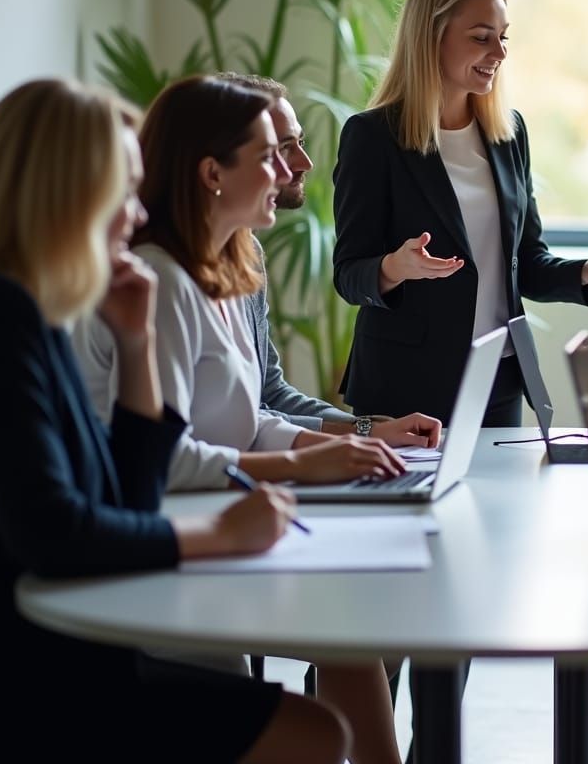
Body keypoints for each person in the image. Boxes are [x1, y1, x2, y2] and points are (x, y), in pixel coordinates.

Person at [0, 77, 347, 762]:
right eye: (121, 192)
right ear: (63, 195)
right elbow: (53, 532)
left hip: (79, 642)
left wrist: (137, 344)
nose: (134, 214)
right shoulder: (4, 319)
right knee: (315, 733)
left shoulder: (37, 311)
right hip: (35, 673)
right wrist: (218, 534)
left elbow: (131, 494)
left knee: (318, 726)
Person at [73, 75, 404, 763]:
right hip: (171, 545)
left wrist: (341, 442)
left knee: (353, 634)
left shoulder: (223, 272)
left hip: (211, 521)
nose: (288, 171)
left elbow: (250, 416)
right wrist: (300, 462)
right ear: (211, 174)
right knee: (341, 648)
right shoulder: (159, 282)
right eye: (270, 155)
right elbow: (160, 453)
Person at [332, 0, 588, 428]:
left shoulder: (508, 135)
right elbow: (348, 274)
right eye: (482, 37)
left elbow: (526, 264)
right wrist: (393, 267)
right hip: (404, 389)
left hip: (500, 380)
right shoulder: (373, 138)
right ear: (432, 37)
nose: (500, 53)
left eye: (503, 37)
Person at [217, 71, 442, 448]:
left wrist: (372, 427)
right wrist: (360, 434)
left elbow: (270, 392)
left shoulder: (248, 251)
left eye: (298, 143)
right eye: (280, 149)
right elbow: (241, 416)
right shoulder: (173, 272)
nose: (302, 163)